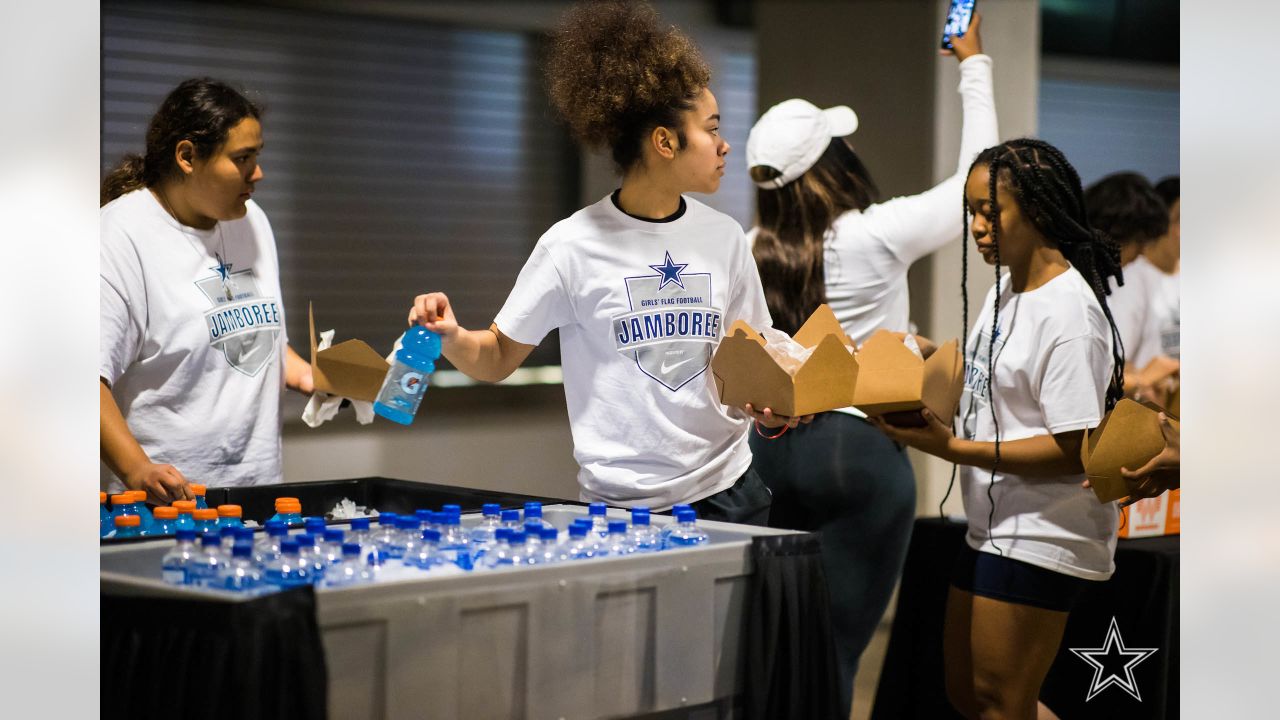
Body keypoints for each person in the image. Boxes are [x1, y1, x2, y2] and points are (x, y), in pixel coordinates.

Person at [404, 1, 798, 524]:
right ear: (664, 141)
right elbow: (497, 355)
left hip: (728, 493)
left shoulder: (725, 237)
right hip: (620, 511)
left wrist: (776, 405)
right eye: (711, 129)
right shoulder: (570, 245)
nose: (726, 146)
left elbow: (755, 354)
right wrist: (452, 336)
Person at [741, 13, 996, 713]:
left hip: (767, 452)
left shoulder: (748, 243)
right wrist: (974, 65)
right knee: (835, 654)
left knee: (768, 655)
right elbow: (982, 178)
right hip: (859, 452)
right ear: (834, 165)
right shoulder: (871, 235)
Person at [873, 138, 1126, 720]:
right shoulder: (1006, 289)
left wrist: (952, 448)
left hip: (1042, 532)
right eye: (971, 212)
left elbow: (1073, 449)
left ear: (1036, 209)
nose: (978, 227)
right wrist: (926, 359)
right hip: (991, 524)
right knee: (971, 695)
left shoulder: (1070, 314)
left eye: (992, 211)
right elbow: (993, 376)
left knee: (998, 703)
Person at [101, 78, 314, 504]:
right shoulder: (117, 236)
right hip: (165, 507)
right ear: (187, 156)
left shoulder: (252, 220)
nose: (258, 173)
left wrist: (317, 377)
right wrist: (137, 469)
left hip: (258, 495)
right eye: (242, 159)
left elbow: (250, 337)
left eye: (258, 156)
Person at [1084, 172, 1178, 403]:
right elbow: (1087, 376)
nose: (1138, 255)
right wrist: (1142, 380)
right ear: (1115, 235)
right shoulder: (1078, 288)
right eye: (1138, 242)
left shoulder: (1096, 282)